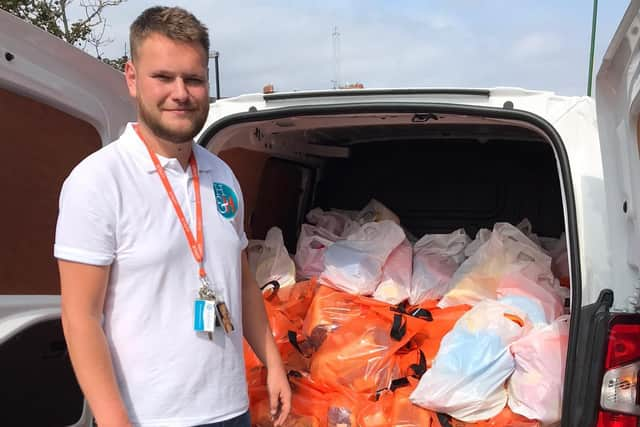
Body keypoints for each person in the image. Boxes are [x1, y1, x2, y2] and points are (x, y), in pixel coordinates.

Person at [54, 6, 290, 427]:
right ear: (131, 78)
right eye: (163, 77)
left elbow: (240, 282)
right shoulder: (97, 180)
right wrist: (113, 420)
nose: (180, 92)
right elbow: (80, 317)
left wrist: (272, 362)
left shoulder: (222, 174)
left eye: (194, 79)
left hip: (230, 408)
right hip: (147, 416)